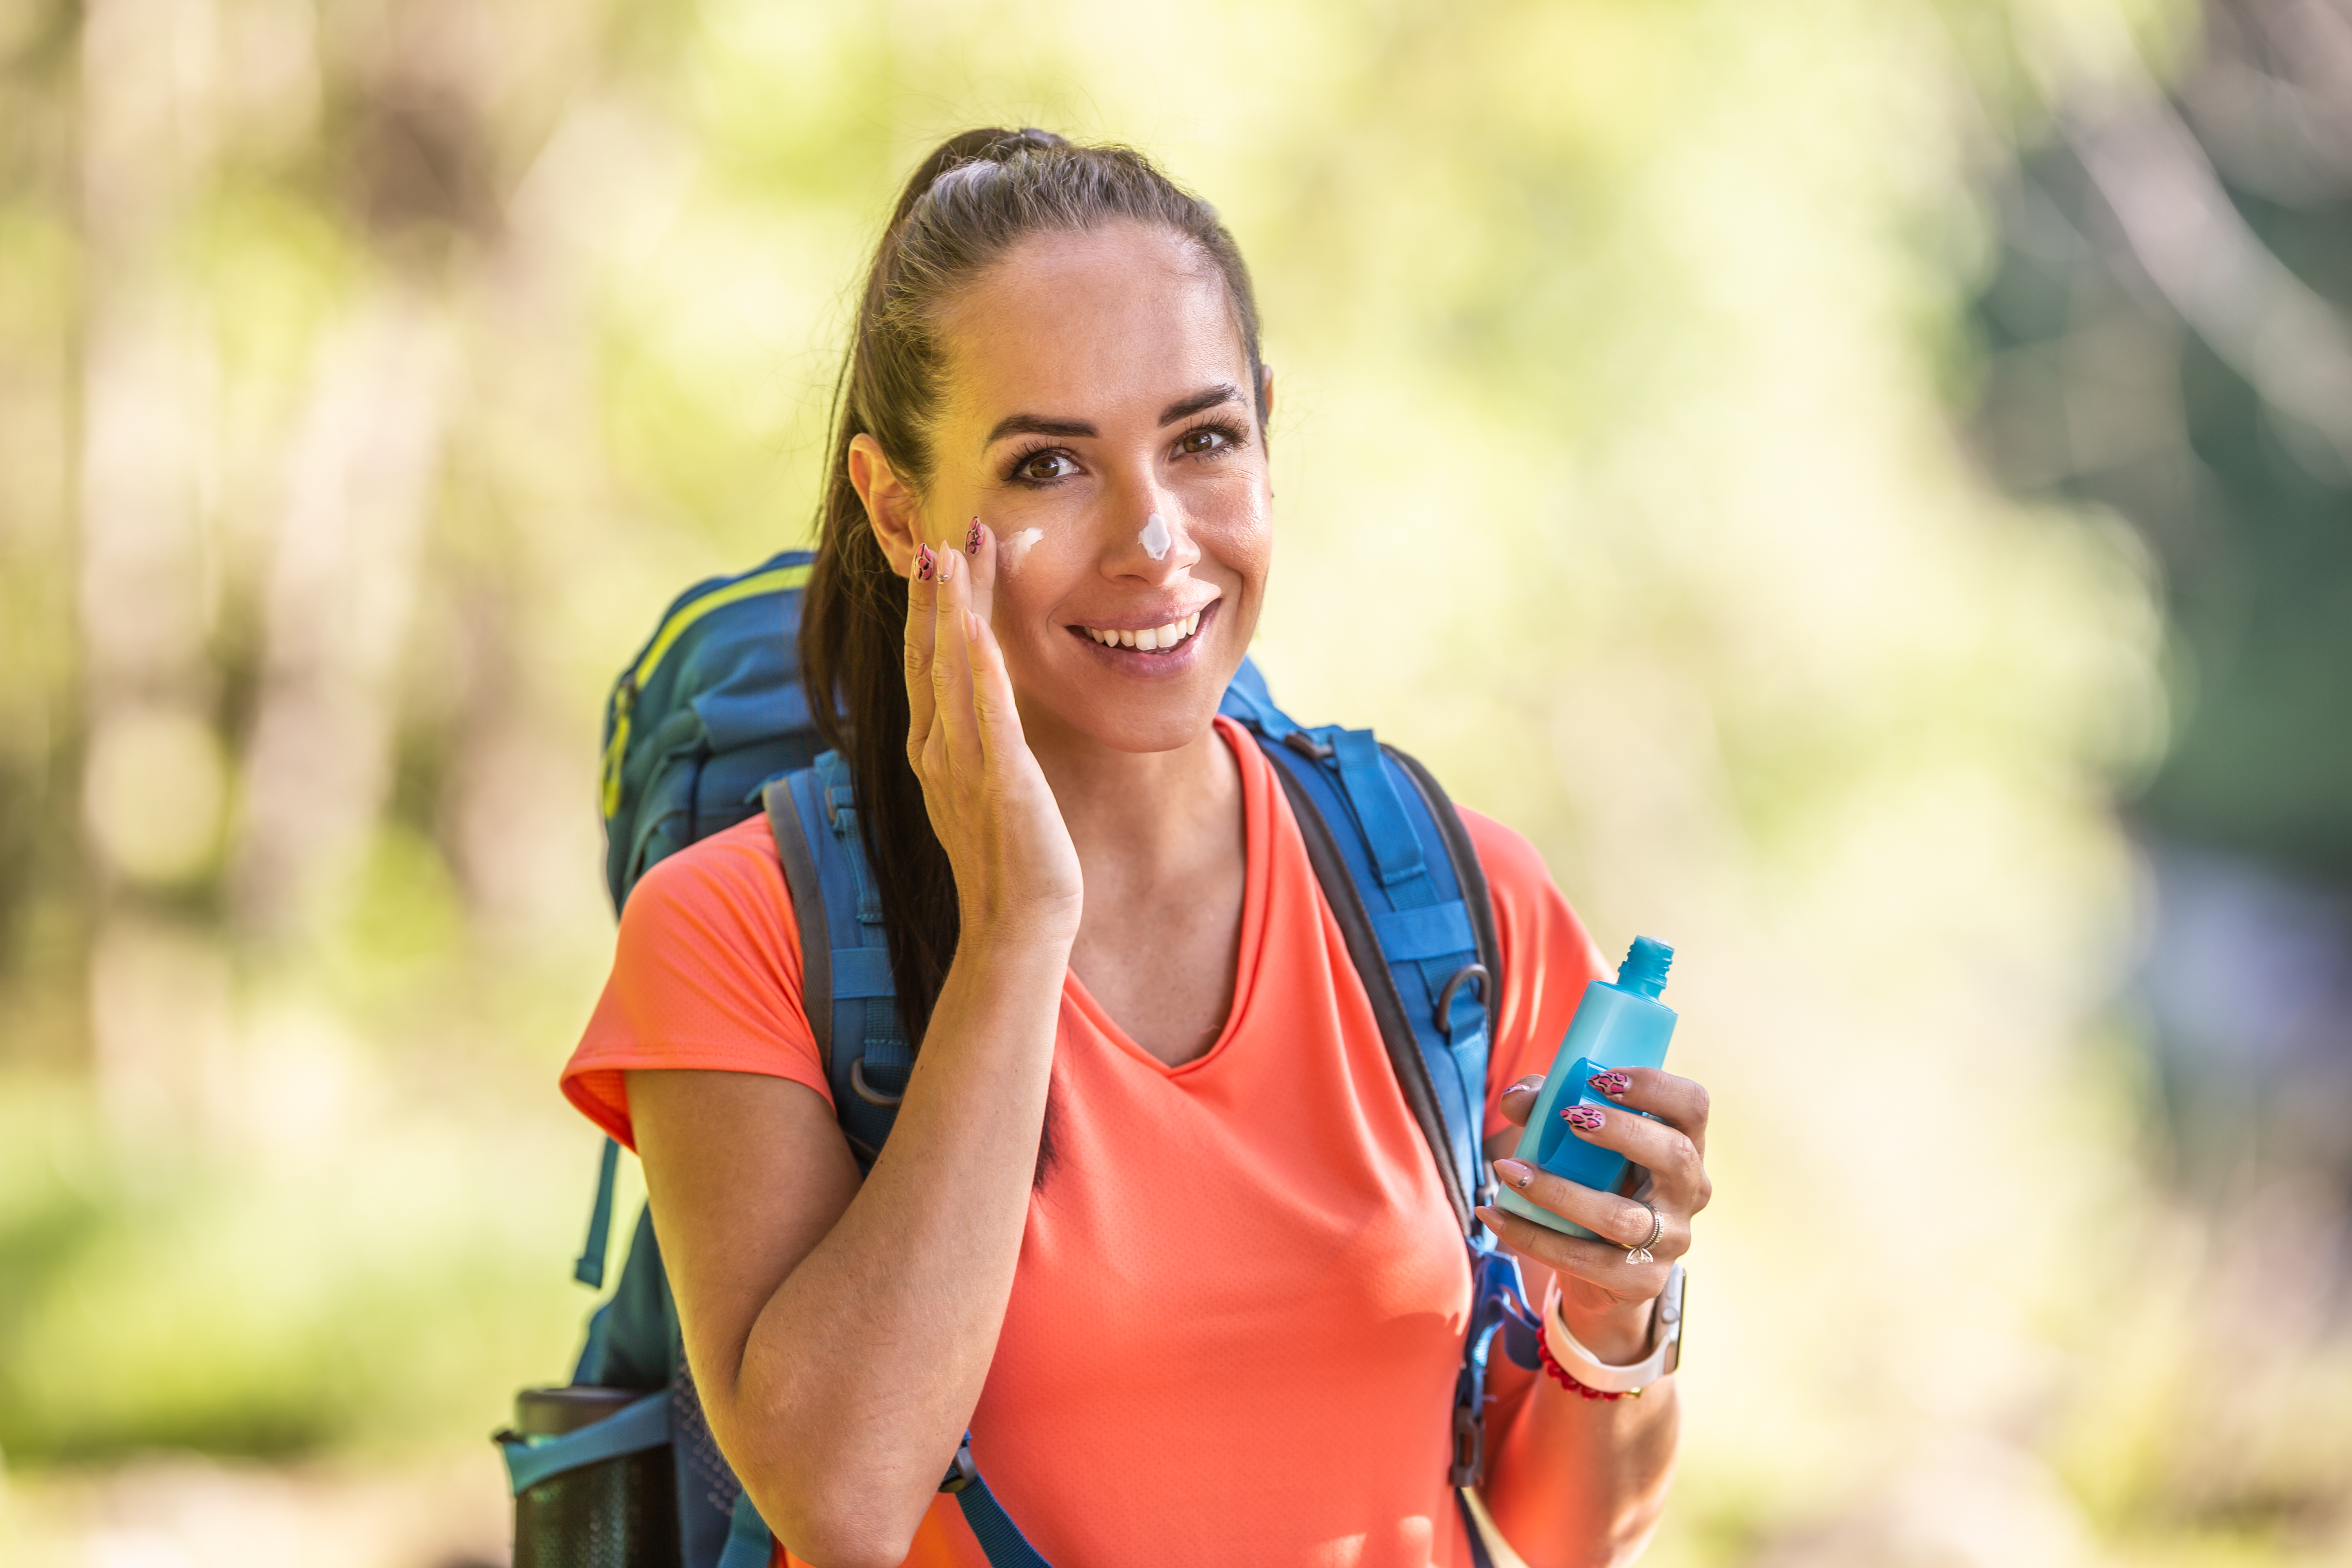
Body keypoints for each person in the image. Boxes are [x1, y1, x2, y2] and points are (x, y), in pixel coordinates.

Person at [562, 127, 1713, 1568]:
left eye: (1203, 439)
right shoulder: (742, 930)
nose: (1154, 539)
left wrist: (1615, 1315)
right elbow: (841, 1501)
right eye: (1048, 464)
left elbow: (1572, 1529)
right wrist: (1014, 935)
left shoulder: (1452, 897)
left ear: (1266, 432)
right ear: (899, 507)